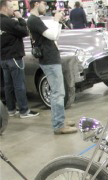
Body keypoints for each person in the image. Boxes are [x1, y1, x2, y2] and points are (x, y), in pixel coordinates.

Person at [27, 0, 77, 134]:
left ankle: (59, 120)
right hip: (49, 59)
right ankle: (58, 125)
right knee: (58, 93)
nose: (46, 7)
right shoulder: (33, 20)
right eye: (44, 4)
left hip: (51, 58)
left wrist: (58, 22)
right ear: (37, 4)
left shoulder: (36, 20)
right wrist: (56, 20)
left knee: (59, 92)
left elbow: (55, 36)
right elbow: (52, 35)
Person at [0, 0, 39, 118]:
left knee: (8, 85)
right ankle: (24, 111)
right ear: (5, 8)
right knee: (19, 85)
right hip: (14, 58)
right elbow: (25, 31)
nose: (13, 10)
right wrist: (20, 18)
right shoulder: (8, 22)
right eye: (11, 7)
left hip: (3, 58)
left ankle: (11, 109)